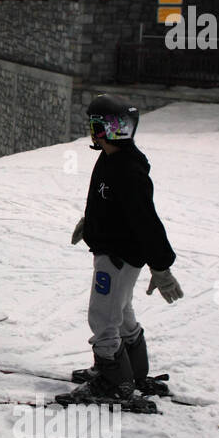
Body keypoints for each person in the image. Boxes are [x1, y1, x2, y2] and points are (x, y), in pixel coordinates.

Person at [61, 94, 183, 412]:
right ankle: (132, 372)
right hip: (112, 250)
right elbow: (111, 204)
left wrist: (161, 267)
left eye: (97, 125)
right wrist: (90, 223)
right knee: (121, 313)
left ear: (116, 129)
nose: (92, 131)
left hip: (118, 256)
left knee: (102, 317)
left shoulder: (128, 171)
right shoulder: (111, 158)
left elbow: (146, 222)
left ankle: (114, 382)